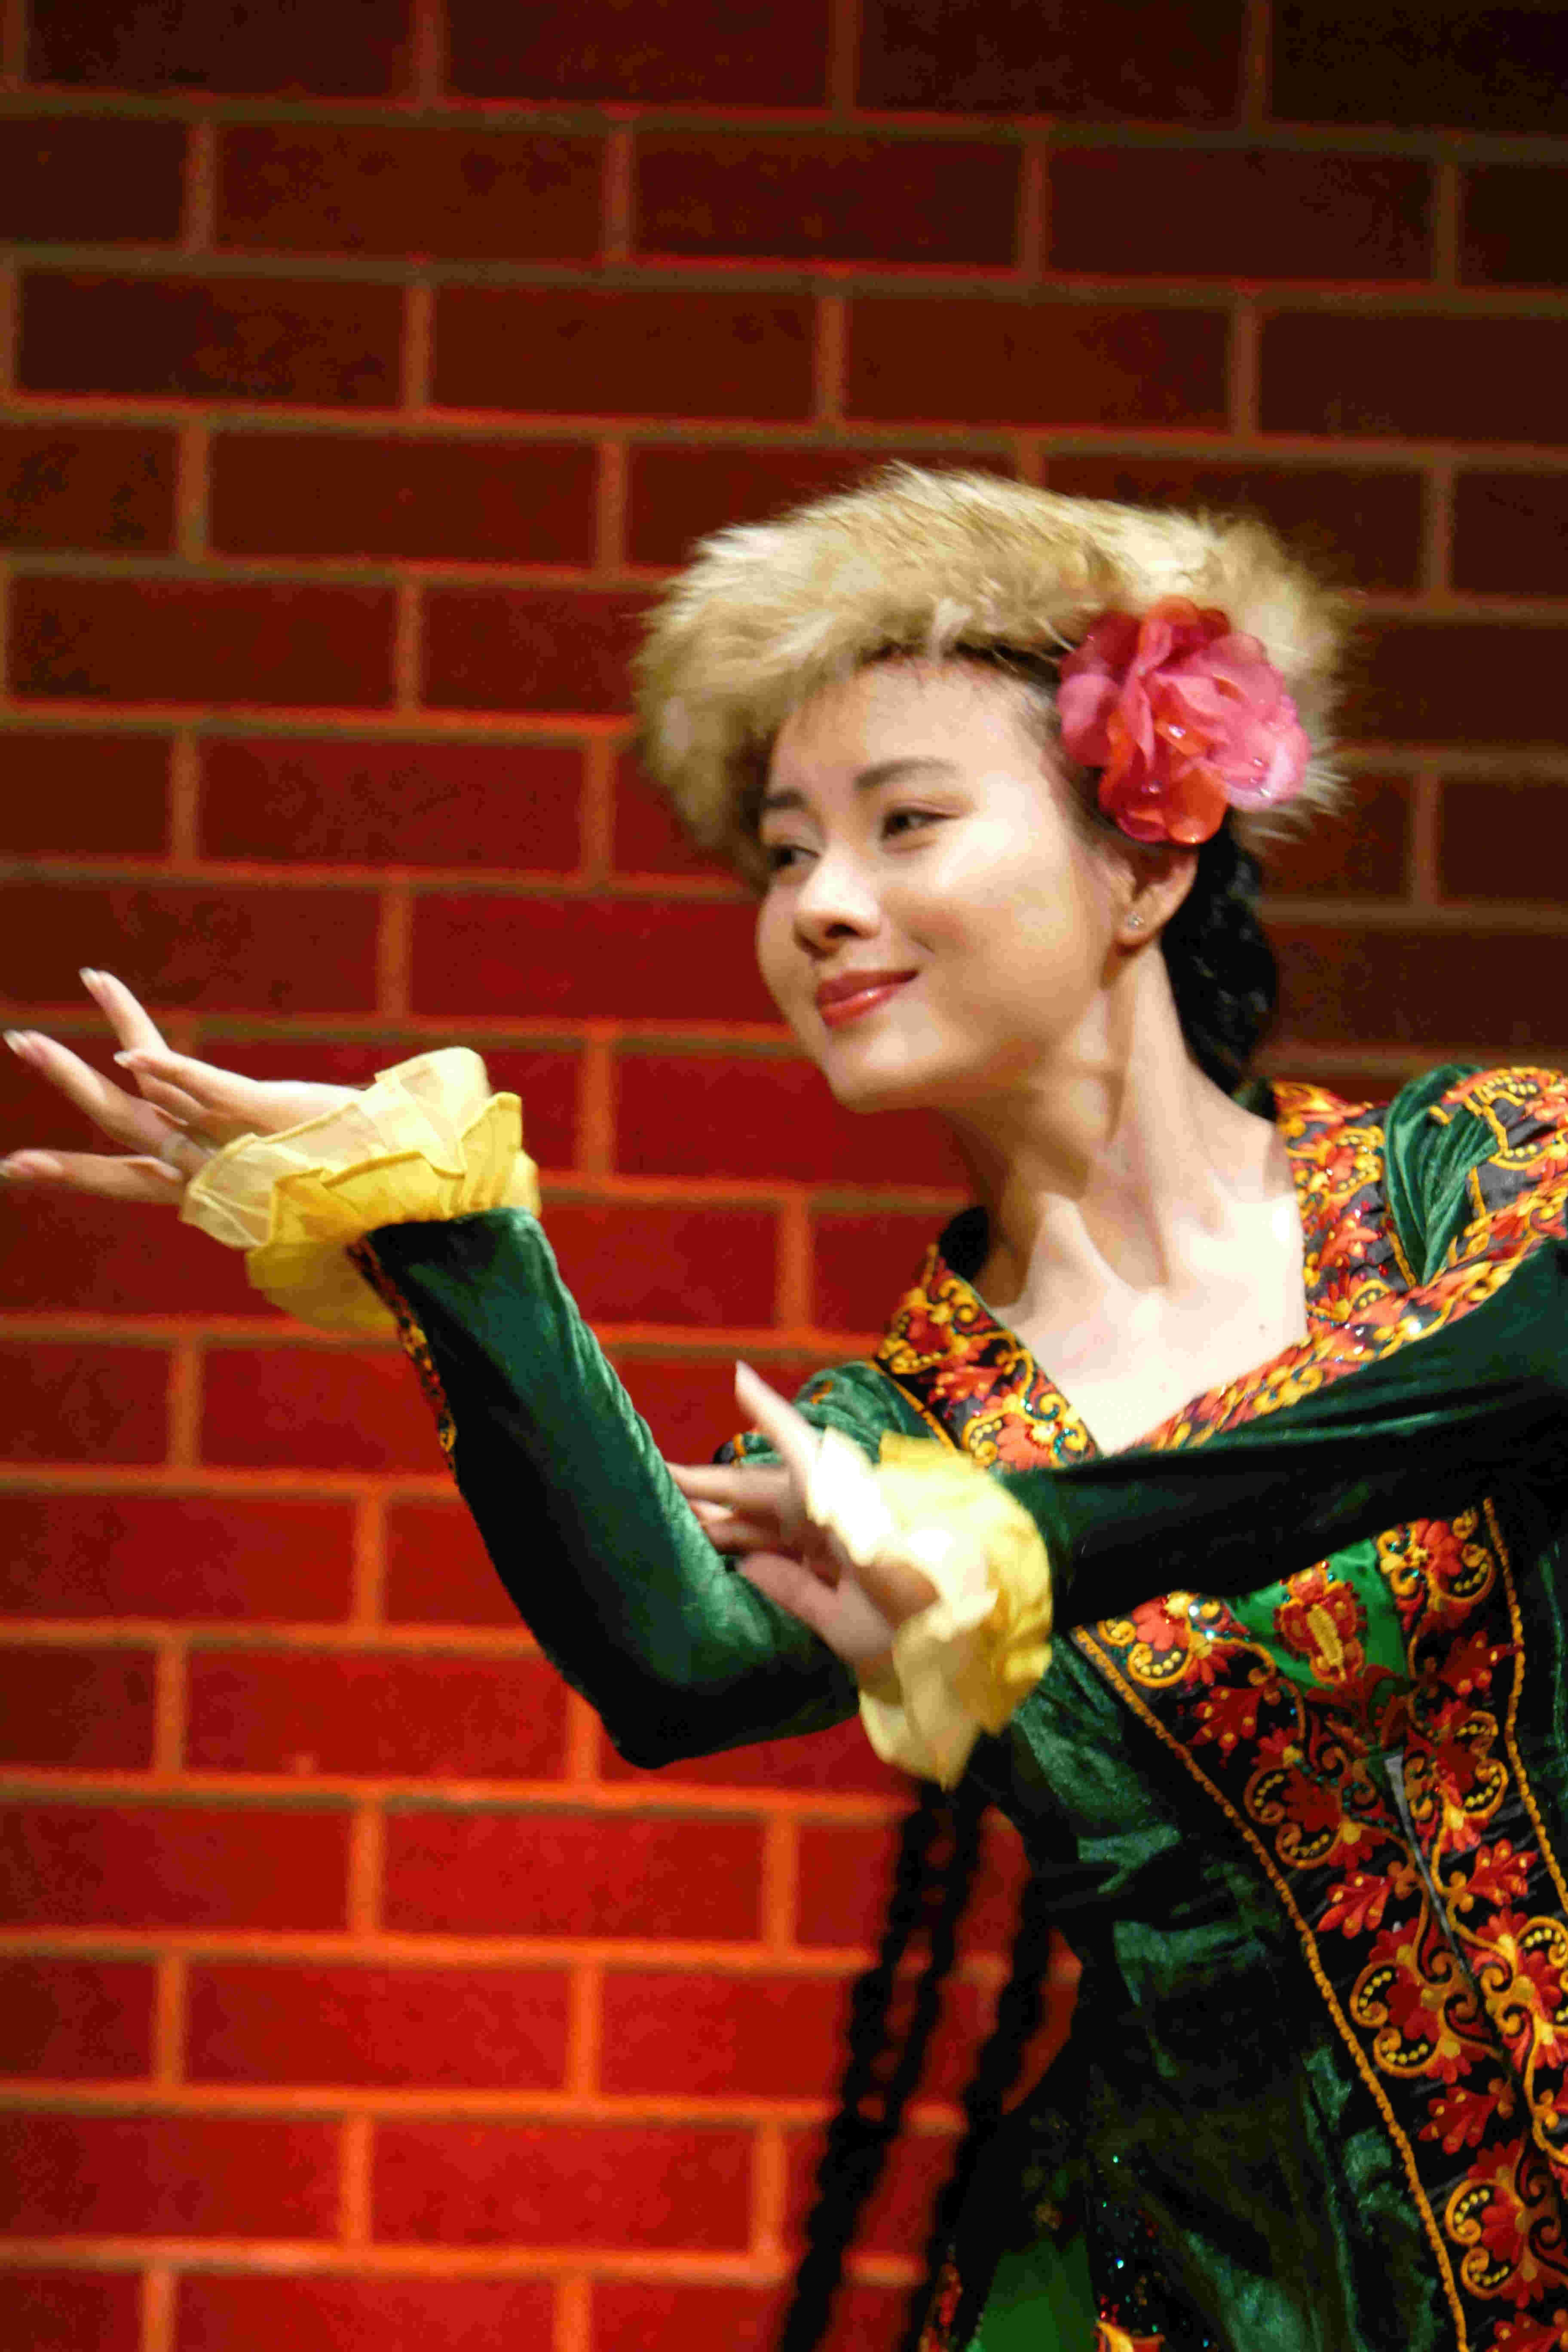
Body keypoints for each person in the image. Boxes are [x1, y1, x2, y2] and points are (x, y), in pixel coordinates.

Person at [9, 467, 1568, 2352]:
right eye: (782, 854)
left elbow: (1503, 1386)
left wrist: (1017, 1542)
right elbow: (681, 1658)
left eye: (906, 822)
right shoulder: (907, 1426)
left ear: (1147, 864)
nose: (822, 906)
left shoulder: (1471, 1184)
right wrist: (443, 1235)